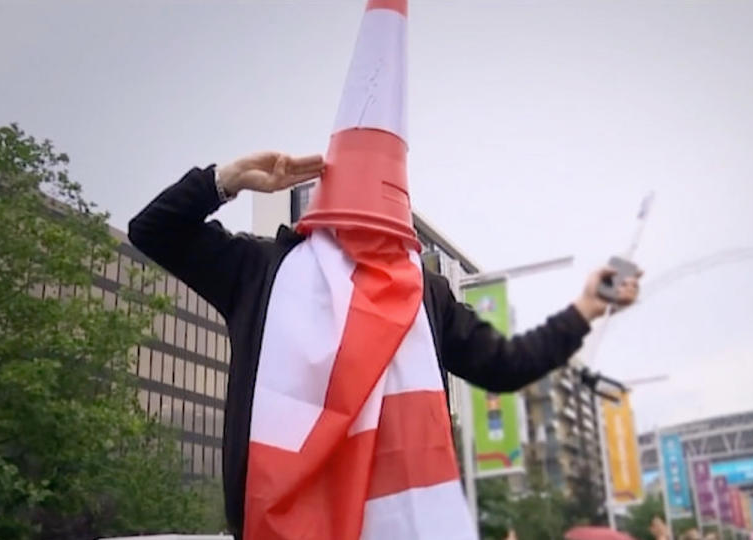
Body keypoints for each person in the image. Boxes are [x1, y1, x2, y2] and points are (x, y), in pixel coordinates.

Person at [128, 152, 641, 538]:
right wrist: (228, 180)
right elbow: (153, 231)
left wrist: (586, 309)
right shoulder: (262, 270)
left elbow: (505, 365)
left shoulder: (424, 293)